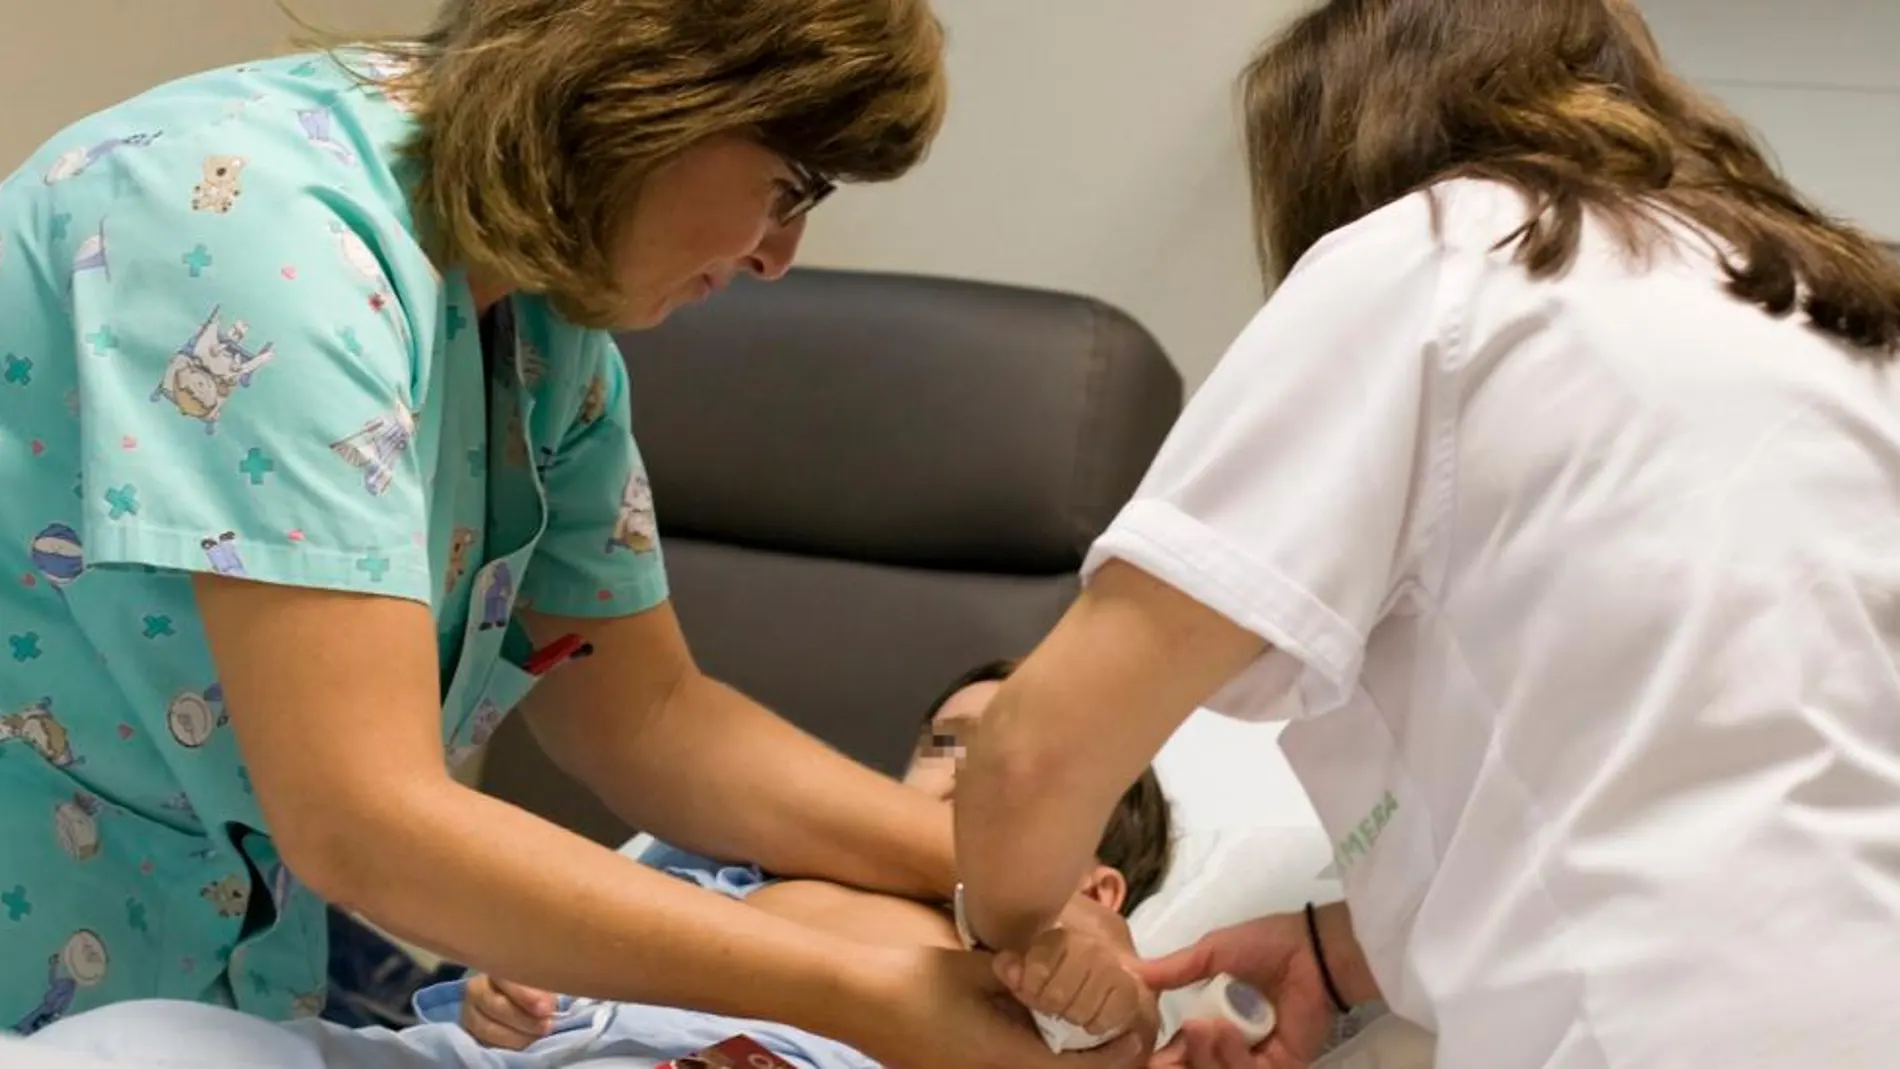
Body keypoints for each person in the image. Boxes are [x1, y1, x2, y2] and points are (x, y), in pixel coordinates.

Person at [0, 5, 1133, 1067]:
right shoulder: (254, 228)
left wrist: (1015, 877)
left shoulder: (538, 325)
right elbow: (367, 819)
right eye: (787, 186)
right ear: (654, 84)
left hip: (189, 960)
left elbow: (651, 715)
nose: (777, 256)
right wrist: (854, 993)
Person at [948, 2, 1900, 1068]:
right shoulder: (1831, 309)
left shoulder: (1435, 257)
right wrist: (1339, 948)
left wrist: (1008, 933)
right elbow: (1726, 753)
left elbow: (1031, 759)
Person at [21, 662, 1176, 1068]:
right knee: (132, 1046)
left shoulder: (1055, 925)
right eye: (943, 743)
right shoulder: (728, 865)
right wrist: (508, 998)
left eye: (1011, 762)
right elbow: (566, 954)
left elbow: (1104, 1024)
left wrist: (1084, 982)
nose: (961, 773)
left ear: (1099, 874)